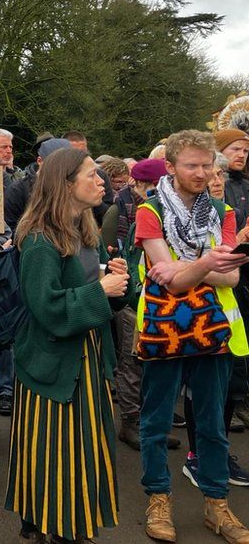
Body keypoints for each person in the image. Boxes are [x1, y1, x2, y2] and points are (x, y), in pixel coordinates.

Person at [7, 147, 125, 543]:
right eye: (91, 175)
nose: (101, 181)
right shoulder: (41, 239)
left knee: (82, 450)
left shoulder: (84, 230)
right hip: (52, 362)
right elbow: (48, 308)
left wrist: (117, 282)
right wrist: (100, 290)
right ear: (66, 184)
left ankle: (68, 523)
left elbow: (96, 294)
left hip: (85, 357)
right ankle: (53, 526)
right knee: (54, 452)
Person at [136, 130, 249, 544]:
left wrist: (187, 266)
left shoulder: (223, 211)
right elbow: (174, 284)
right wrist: (206, 264)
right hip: (164, 332)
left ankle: (217, 505)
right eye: (192, 166)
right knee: (156, 420)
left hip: (214, 330)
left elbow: (231, 275)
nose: (202, 173)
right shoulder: (150, 211)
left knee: (212, 423)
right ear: (170, 167)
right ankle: (158, 498)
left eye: (207, 165)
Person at [99, 157, 177, 452]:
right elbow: (109, 252)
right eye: (154, 185)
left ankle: (152, 423)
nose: (159, 190)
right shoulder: (121, 211)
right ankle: (130, 422)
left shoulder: (168, 213)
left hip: (161, 299)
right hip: (133, 298)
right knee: (131, 360)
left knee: (155, 361)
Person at [5, 138, 72, 231]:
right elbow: (10, 229)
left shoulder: (76, 185)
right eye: (55, 163)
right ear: (39, 161)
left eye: (67, 163)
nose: (61, 168)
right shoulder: (17, 190)